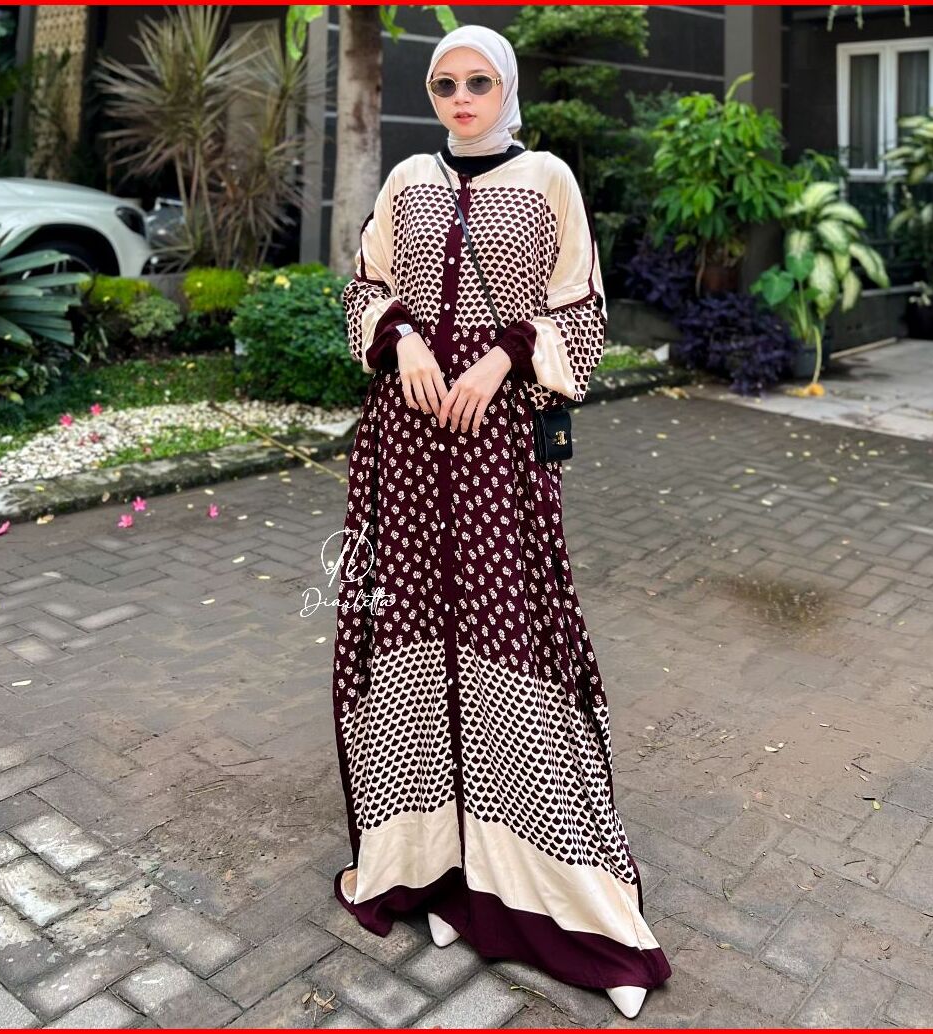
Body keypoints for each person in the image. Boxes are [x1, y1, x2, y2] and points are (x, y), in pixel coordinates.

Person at [330, 23, 671, 1019]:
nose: (461, 98)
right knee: (412, 641)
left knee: (508, 643)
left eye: (478, 81)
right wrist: (399, 340)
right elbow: (365, 286)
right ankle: (434, 871)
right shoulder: (406, 180)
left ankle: (564, 904)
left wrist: (501, 358)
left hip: (494, 455)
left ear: (506, 87)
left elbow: (582, 308)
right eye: (445, 84)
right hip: (405, 450)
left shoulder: (547, 179)